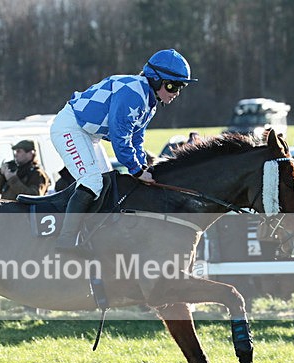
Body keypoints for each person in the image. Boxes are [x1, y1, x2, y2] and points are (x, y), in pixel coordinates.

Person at [49, 48, 198, 254]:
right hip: (70, 127)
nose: (176, 93)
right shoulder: (133, 94)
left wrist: (143, 166)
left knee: (108, 183)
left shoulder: (149, 101)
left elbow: (137, 138)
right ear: (155, 80)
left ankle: (90, 236)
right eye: (173, 86)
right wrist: (136, 171)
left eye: (180, 87)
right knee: (92, 182)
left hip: (88, 134)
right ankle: (65, 241)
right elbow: (120, 139)